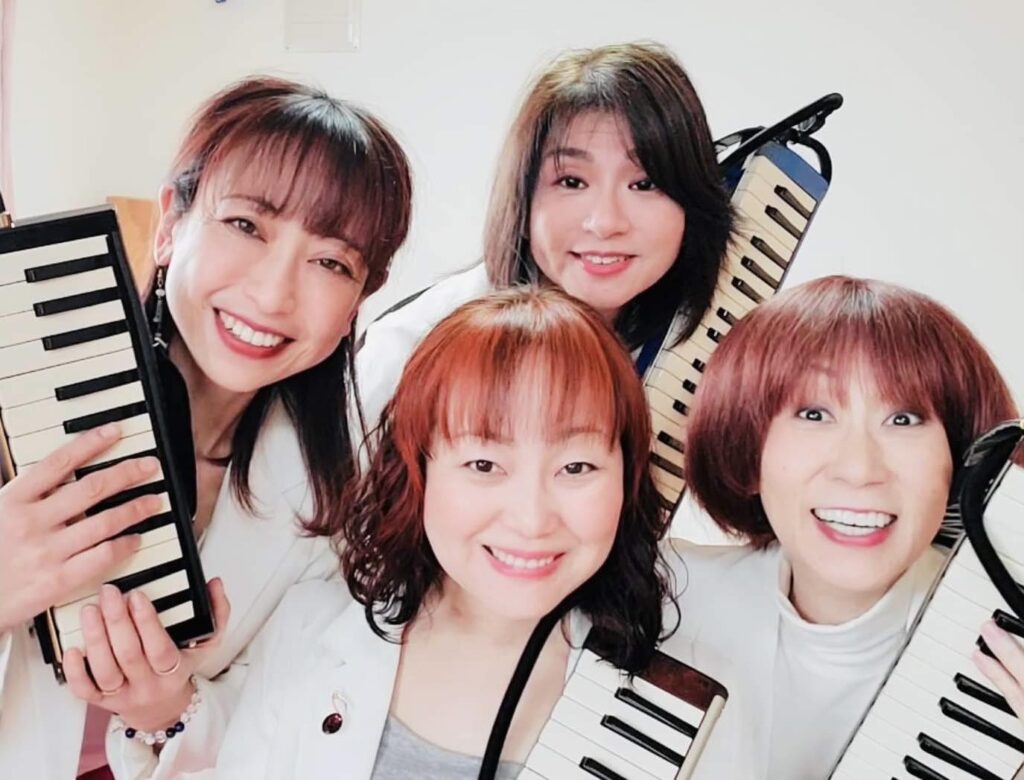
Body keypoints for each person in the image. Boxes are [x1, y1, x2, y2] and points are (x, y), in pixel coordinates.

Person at [0, 76, 412, 780]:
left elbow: (285, 734)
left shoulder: (340, 501)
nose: (273, 294)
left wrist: (170, 711)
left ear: (357, 303)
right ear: (170, 226)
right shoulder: (20, 387)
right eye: (247, 225)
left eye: (330, 262)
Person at [185, 286, 677, 779]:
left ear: (627, 476)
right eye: (483, 464)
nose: (532, 520)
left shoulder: (675, 699)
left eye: (576, 467)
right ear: (416, 471)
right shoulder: (306, 630)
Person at [659, 275, 1021, 779]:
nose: (859, 468)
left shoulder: (1012, 640)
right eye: (814, 413)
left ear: (961, 464)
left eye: (903, 419)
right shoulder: (661, 591)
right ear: (748, 448)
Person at [356, 41, 733, 433]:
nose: (605, 222)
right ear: (522, 198)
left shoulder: (712, 341)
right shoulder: (408, 351)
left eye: (644, 183)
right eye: (571, 181)